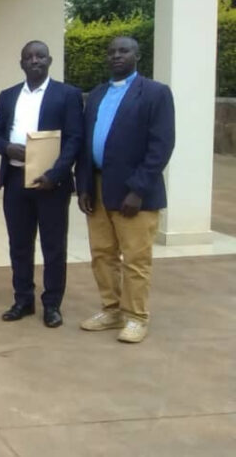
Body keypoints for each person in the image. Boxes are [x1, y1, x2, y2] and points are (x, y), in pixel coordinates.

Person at [76, 36, 175, 344]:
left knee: (135, 258)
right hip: (98, 186)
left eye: (124, 50)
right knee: (102, 254)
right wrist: (84, 185)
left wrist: (138, 189)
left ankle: (136, 317)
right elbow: (85, 143)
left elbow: (161, 145)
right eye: (112, 52)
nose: (116, 55)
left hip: (134, 192)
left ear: (137, 55)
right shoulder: (97, 94)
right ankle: (112, 310)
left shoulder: (156, 93)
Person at [0, 40, 83, 328]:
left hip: (51, 183)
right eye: (28, 57)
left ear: (49, 60)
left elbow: (74, 139)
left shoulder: (67, 94)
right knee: (19, 244)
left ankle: (52, 304)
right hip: (16, 179)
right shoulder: (8, 96)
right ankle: (23, 299)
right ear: (21, 63)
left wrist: (55, 174)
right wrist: (6, 147)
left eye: (40, 56)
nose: (34, 61)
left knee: (53, 246)